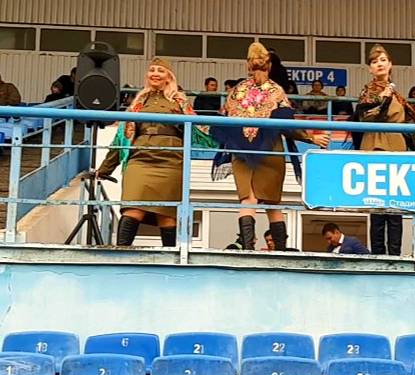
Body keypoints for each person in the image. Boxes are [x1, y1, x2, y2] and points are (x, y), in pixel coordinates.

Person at [210, 42, 329, 251]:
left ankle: (247, 249)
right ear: (270, 66)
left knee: (248, 200)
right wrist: (311, 138)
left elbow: (223, 121)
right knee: (272, 204)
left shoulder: (237, 91)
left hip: (242, 152)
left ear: (248, 66)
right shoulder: (277, 91)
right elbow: (287, 125)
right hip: (270, 151)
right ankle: (280, 251)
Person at [96, 58, 216, 247]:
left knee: (166, 215)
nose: (155, 74)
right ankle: (120, 255)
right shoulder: (139, 101)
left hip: (171, 161)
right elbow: (121, 139)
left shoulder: (179, 100)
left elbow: (198, 129)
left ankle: (170, 260)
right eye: (152, 70)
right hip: (140, 159)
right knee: (132, 209)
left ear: (169, 76)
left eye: (160, 70)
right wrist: (104, 169)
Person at [354, 44, 415, 256]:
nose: (379, 64)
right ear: (370, 68)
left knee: (395, 205)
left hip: (396, 148)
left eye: (383, 60)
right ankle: (377, 253)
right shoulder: (368, 91)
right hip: (375, 146)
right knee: (377, 205)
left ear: (390, 64)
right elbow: (366, 116)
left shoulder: (398, 95)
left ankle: (395, 253)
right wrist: (382, 97)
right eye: (374, 61)